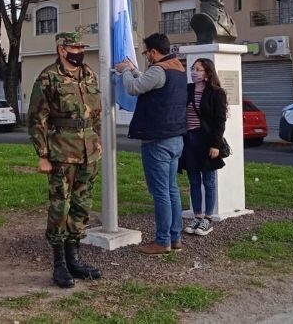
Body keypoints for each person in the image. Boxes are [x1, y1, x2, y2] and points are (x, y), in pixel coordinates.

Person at [27, 31, 102, 289]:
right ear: (62, 49)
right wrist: (42, 155)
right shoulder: (48, 77)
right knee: (61, 206)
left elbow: (97, 115)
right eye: (75, 46)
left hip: (89, 152)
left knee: (82, 204)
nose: (79, 51)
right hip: (62, 152)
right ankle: (59, 264)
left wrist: (97, 142)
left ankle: (74, 259)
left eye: (82, 46)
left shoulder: (90, 75)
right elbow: (36, 119)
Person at [116, 33, 187, 255]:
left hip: (157, 139)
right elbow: (148, 82)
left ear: (154, 52)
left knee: (161, 193)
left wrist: (125, 71)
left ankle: (162, 241)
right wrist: (135, 72)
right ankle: (175, 238)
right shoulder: (177, 68)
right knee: (172, 189)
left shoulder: (158, 70)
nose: (145, 56)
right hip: (175, 137)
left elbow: (134, 88)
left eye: (146, 52)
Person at [182, 58, 227, 237]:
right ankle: (197, 215)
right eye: (193, 69)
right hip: (189, 139)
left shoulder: (217, 93)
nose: (194, 72)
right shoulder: (188, 89)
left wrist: (215, 144)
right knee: (193, 180)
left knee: (208, 180)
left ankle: (208, 218)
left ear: (207, 72)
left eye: (198, 69)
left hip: (207, 140)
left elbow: (220, 121)